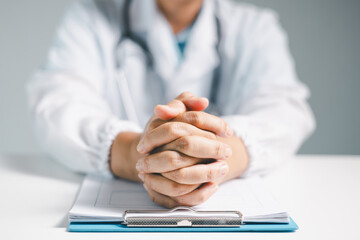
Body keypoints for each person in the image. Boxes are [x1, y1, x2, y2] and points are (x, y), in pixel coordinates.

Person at [27, 0, 315, 208]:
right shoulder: (90, 16)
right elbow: (56, 105)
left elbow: (285, 111)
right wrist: (136, 153)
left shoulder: (255, 27)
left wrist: (213, 158)